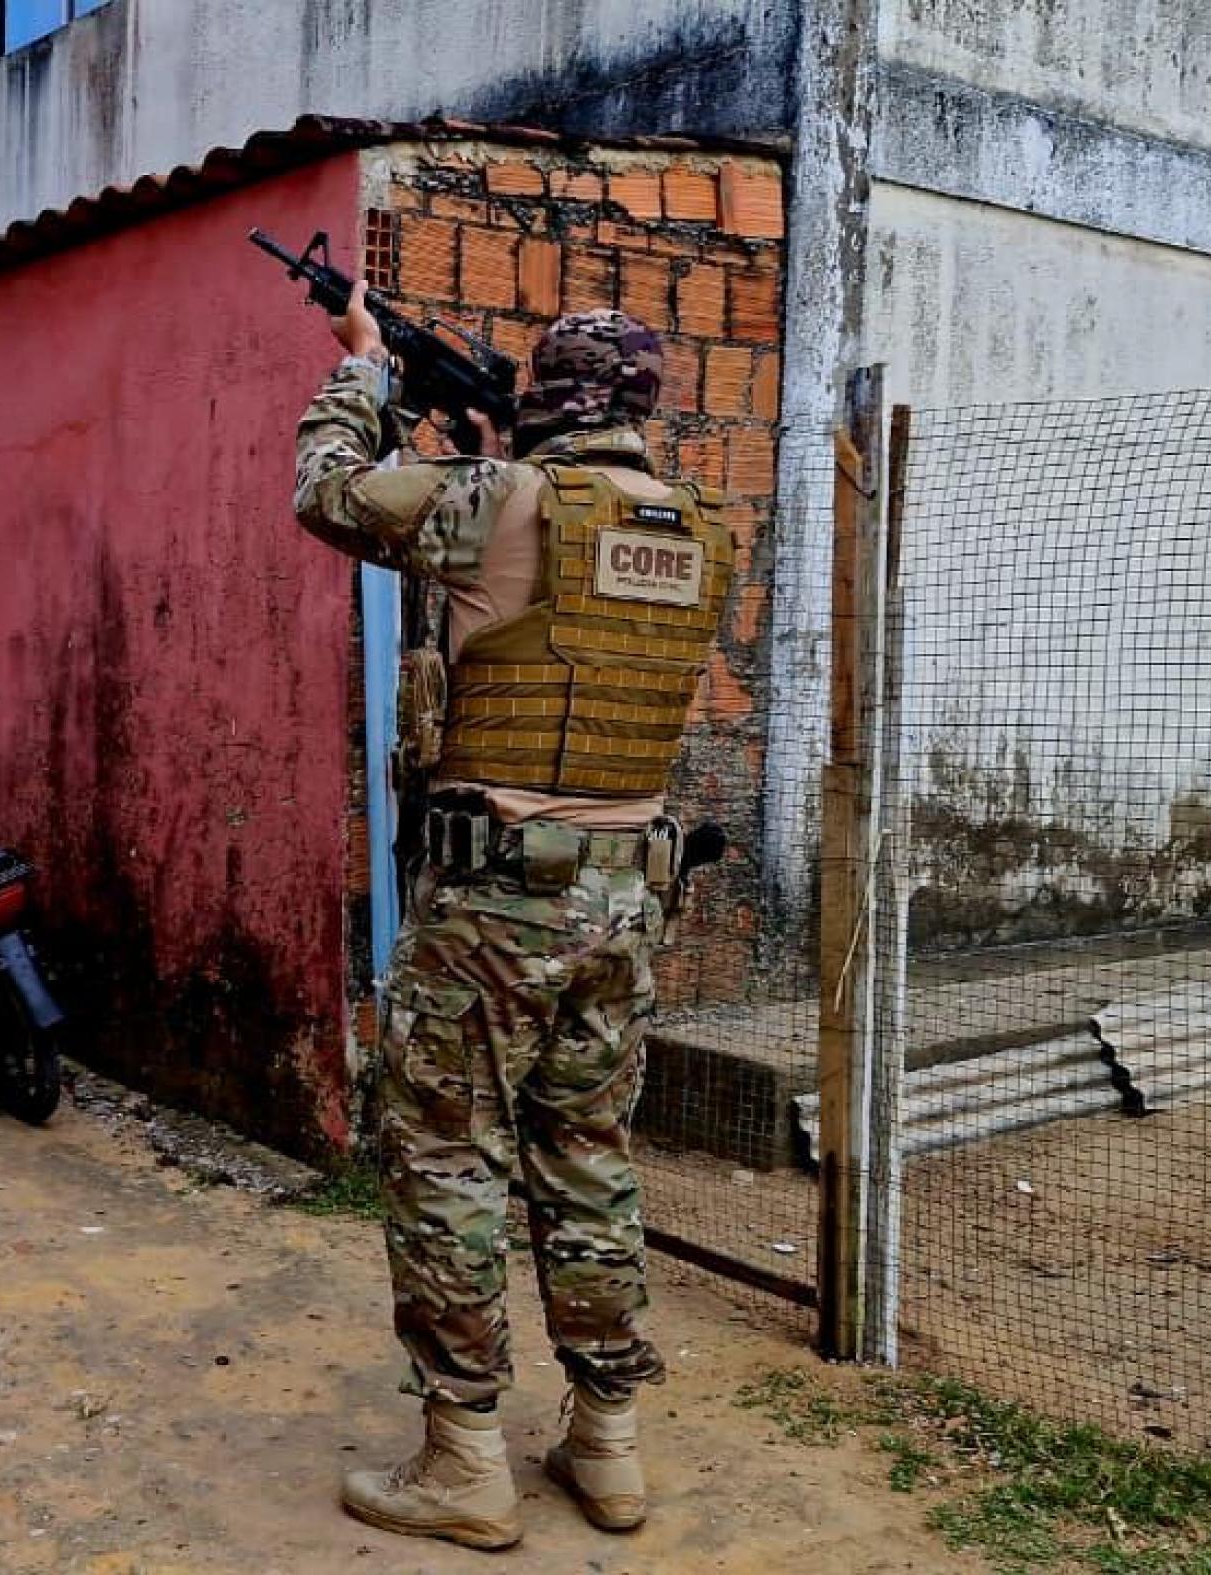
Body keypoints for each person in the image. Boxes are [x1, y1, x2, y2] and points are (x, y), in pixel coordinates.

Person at [293, 294, 734, 1550]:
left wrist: (364, 374)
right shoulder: (703, 527)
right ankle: (606, 1444)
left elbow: (327, 489)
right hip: (626, 895)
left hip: (497, 898)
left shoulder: (493, 500)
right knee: (587, 1159)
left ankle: (464, 1462)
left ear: (555, 394)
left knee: (447, 1159)